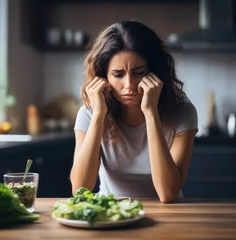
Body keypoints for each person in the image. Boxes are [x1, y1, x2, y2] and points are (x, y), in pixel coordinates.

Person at [70, 21, 198, 203]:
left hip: (169, 215)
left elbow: (168, 193)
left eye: (138, 72)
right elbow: (80, 189)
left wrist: (151, 112)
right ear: (103, 76)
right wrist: (98, 116)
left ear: (154, 72)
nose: (129, 85)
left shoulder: (182, 112)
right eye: (118, 74)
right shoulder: (89, 113)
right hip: (111, 213)